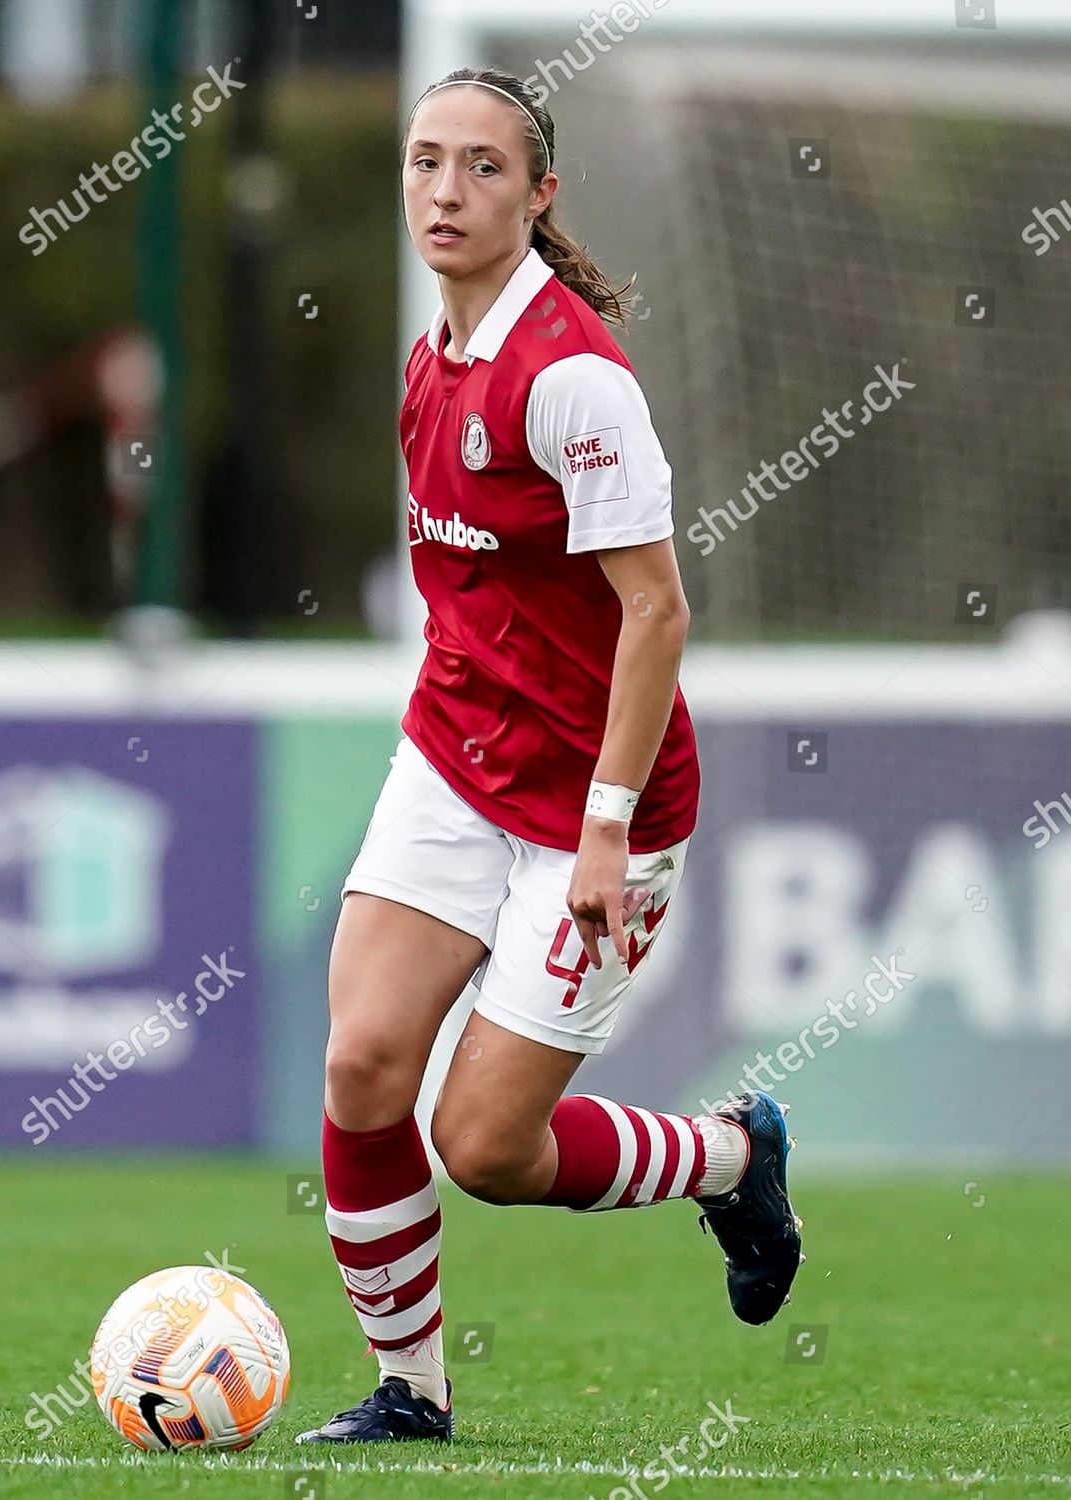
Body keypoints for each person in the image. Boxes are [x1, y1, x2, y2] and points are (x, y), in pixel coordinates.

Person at [296, 66, 803, 1447]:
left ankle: (733, 1156)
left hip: (600, 811)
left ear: (538, 194)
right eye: (424, 163)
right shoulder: (433, 360)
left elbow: (657, 610)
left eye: (481, 168)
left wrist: (602, 825)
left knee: (488, 1151)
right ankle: (412, 1393)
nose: (446, 191)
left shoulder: (571, 378)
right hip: (456, 763)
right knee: (362, 1069)